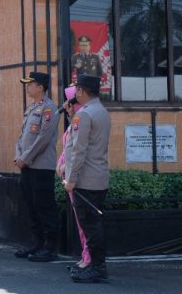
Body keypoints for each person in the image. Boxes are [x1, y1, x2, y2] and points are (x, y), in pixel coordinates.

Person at [64, 74, 111, 283]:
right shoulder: (102, 111)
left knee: (90, 227)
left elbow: (78, 151)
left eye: (77, 91)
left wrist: (71, 179)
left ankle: (98, 267)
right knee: (94, 225)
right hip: (99, 176)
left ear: (81, 91)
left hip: (85, 179)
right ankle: (94, 265)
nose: (76, 94)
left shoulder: (83, 115)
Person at [14, 72, 61, 262]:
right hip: (26, 166)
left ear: (40, 87)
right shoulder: (32, 108)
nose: (27, 87)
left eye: (30, 84)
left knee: (44, 207)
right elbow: (22, 136)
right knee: (32, 206)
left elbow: (43, 139)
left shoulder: (49, 109)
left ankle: (50, 248)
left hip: (41, 167)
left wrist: (25, 158)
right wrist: (18, 156)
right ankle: (37, 243)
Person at [57, 86, 91, 274]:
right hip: (68, 175)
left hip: (76, 177)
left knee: (84, 222)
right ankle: (85, 255)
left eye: (68, 100)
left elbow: (78, 149)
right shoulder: (75, 120)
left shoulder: (83, 118)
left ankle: (88, 257)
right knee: (80, 222)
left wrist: (65, 167)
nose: (65, 104)